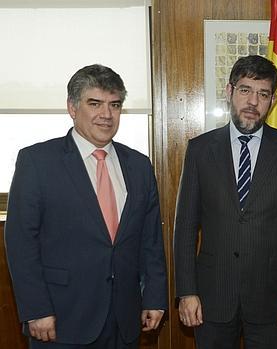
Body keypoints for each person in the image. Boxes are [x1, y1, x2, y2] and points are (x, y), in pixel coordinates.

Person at [4, 64, 168, 348]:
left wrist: (154, 296)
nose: (106, 115)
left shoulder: (139, 166)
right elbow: (21, 243)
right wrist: (36, 309)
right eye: (95, 103)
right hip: (60, 319)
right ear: (72, 107)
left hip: (124, 319)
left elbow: (150, 241)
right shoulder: (37, 161)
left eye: (114, 105)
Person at [173, 55, 277, 349]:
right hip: (212, 297)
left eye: (263, 94)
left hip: (273, 299)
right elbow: (186, 227)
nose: (253, 101)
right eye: (245, 90)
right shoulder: (200, 150)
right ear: (229, 92)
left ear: (273, 100)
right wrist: (186, 291)